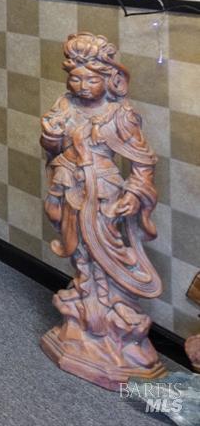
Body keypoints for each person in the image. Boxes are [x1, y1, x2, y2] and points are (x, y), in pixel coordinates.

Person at [40, 32, 163, 388]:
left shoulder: (119, 115)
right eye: (75, 78)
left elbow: (142, 163)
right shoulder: (65, 105)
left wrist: (136, 192)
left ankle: (115, 309)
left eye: (91, 79)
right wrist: (50, 136)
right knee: (76, 247)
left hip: (105, 193)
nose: (81, 85)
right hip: (68, 186)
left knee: (108, 252)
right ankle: (86, 298)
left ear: (109, 80)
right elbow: (53, 146)